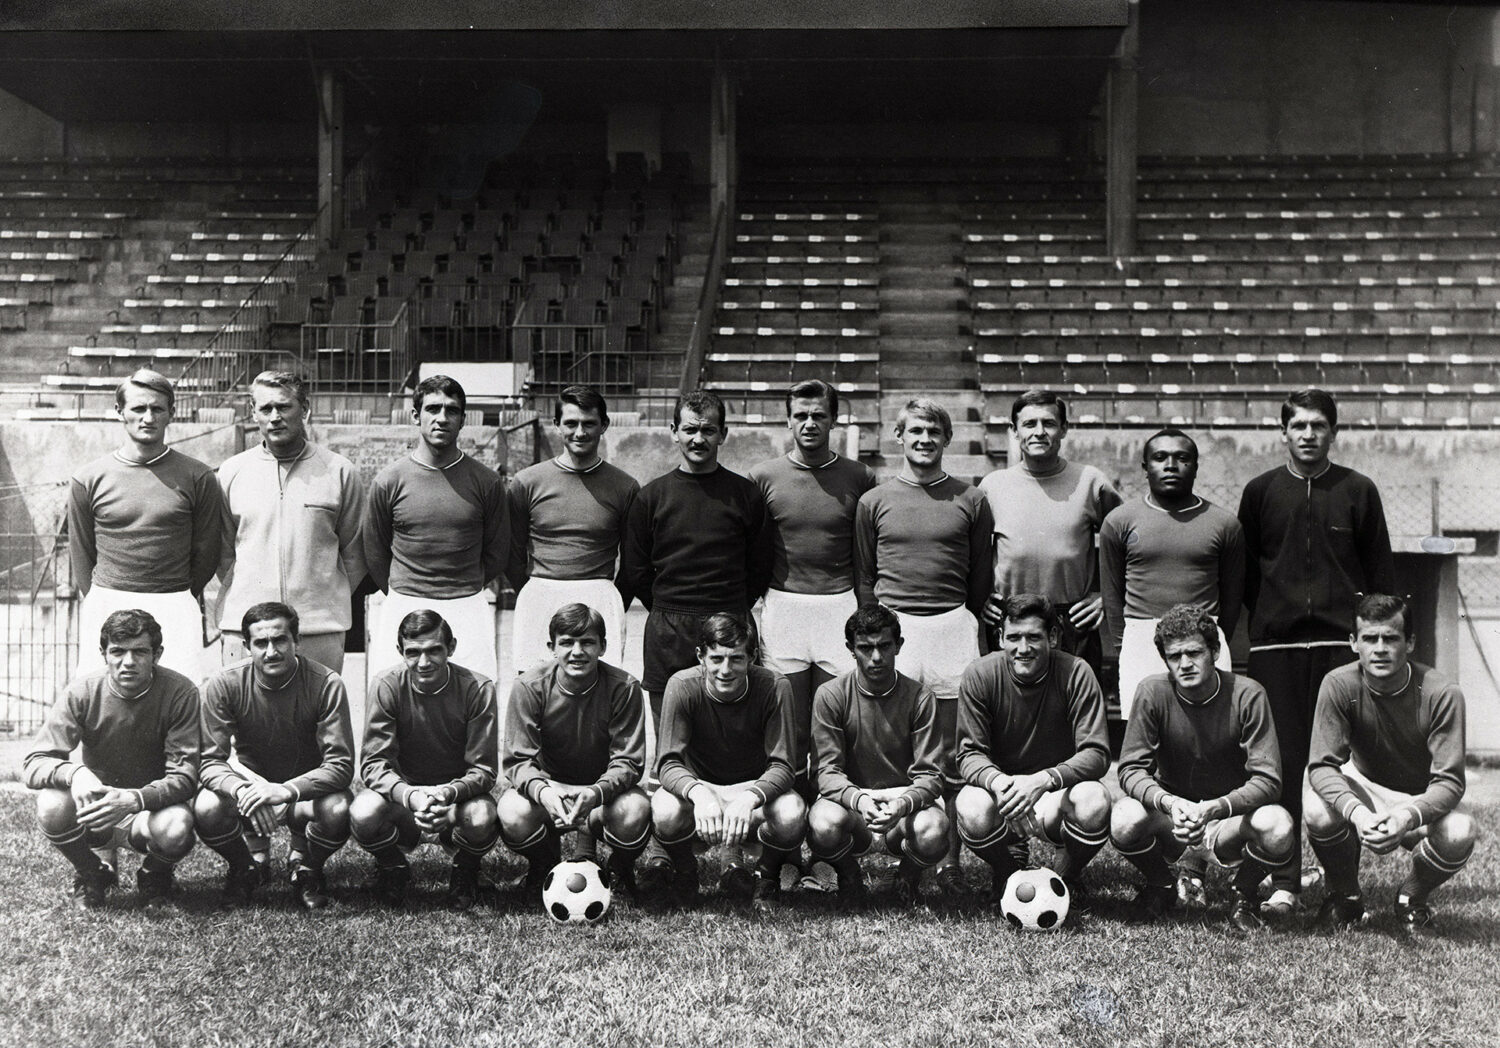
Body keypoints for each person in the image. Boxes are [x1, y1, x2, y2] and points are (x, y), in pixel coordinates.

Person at [1238, 387, 1396, 918]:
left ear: (1334, 432)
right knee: (1279, 763)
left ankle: (1341, 886)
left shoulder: (1358, 490)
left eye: (1318, 426)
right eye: (1298, 425)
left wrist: (1368, 642)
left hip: (1337, 649)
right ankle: (1285, 882)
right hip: (1276, 648)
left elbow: (1381, 578)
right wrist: (1263, 627)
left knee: (1333, 766)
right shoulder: (1260, 492)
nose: (1308, 435)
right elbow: (1245, 578)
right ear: (1282, 431)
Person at [853, 396, 991, 892]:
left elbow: (980, 575)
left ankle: (949, 863)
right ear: (899, 436)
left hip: (952, 625)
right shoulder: (875, 500)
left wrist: (961, 614)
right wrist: (885, 628)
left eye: (934, 431)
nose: (924, 440)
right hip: (897, 631)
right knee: (902, 742)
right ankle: (906, 850)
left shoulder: (970, 498)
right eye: (915, 431)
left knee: (951, 750)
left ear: (947, 439)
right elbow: (865, 575)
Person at [1111, 603, 1294, 932]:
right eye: (1174, 656)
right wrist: (1170, 803)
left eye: (1194, 653)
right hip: (1175, 819)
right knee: (1124, 817)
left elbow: (1269, 781)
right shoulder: (1152, 692)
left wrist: (1214, 808)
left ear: (1215, 650)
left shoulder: (1248, 694)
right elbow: (1130, 770)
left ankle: (1244, 894)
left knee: (1278, 825)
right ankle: (1161, 886)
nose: (1184, 664)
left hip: (1227, 821)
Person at [1305, 594, 1475, 936]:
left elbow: (1450, 782)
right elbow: (1322, 766)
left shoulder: (1442, 692)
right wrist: (1358, 813)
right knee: (1316, 806)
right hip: (1364, 787)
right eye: (1369, 638)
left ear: (1409, 642)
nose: (1379, 648)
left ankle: (1412, 897)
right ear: (1354, 643)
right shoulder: (1338, 684)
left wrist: (1405, 816)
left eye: (1391, 638)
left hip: (1418, 799)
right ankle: (1346, 895)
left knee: (1461, 831)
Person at [748, 379, 878, 801]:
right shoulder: (763, 476)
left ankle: (830, 822)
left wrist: (864, 610)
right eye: (800, 415)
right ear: (788, 420)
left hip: (837, 605)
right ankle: (785, 820)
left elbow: (866, 554)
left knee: (833, 720)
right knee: (790, 723)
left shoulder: (860, 476)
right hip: (785, 605)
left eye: (818, 415)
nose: (809, 423)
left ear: (834, 421)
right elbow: (754, 550)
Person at [23, 609, 198, 909]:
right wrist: (75, 774)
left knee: (178, 824)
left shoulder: (180, 692)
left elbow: (185, 777)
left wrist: (134, 799)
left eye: (140, 652)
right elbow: (34, 762)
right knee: (51, 803)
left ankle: (154, 874)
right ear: (103, 653)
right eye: (117, 651)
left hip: (147, 812)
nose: (128, 662)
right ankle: (92, 873)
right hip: (97, 809)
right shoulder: (82, 691)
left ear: (157, 654)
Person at [620, 389, 772, 721]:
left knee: (732, 727)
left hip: (730, 619)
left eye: (708, 430)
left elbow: (761, 564)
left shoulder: (745, 494)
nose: (698, 439)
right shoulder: (651, 497)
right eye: (690, 429)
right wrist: (669, 607)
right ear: (674, 432)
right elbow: (636, 569)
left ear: (723, 434)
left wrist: (729, 606)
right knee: (671, 730)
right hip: (669, 626)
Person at [194, 601, 355, 911]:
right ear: (246, 646)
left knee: (338, 806)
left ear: (297, 641)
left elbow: (341, 764)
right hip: (251, 785)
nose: (271, 651)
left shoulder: (326, 683)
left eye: (280, 640)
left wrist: (285, 790)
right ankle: (246, 867)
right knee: (207, 805)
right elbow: (210, 760)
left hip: (303, 789)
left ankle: (307, 867)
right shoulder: (225, 684)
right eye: (261, 643)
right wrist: (242, 790)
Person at [954, 594, 1111, 906]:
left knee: (1094, 799)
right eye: (1013, 637)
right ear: (1000, 638)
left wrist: (1041, 781)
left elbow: (1097, 752)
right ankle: (1008, 872)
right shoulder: (980, 674)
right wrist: (1003, 785)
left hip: (1053, 794)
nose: (1023, 649)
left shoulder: (1077, 672)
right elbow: (968, 754)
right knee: (969, 804)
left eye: (1033, 637)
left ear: (1052, 637)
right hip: (1005, 797)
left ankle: (1066, 875)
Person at [69, 369, 222, 679]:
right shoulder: (88, 479)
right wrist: (105, 594)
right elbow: (82, 553)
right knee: (104, 703)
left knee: (178, 702)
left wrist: (175, 591)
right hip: (108, 601)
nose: (148, 417)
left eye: (157, 409)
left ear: (171, 414)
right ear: (120, 412)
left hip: (174, 603)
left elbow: (207, 552)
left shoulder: (199, 477)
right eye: (138, 408)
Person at [650, 613, 805, 909]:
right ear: (701, 657)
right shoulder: (682, 685)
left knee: (792, 810)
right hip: (703, 789)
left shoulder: (775, 686)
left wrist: (749, 798)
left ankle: (767, 875)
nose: (725, 669)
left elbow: (783, 765)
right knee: (664, 808)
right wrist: (699, 794)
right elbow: (668, 763)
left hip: (752, 791)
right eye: (716, 658)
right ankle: (686, 871)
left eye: (736, 659)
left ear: (752, 658)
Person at [350, 610, 501, 910]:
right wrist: (411, 795)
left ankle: (466, 869)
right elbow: (373, 764)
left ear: (452, 648)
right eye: (413, 652)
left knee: (483, 815)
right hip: (405, 798)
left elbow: (484, 769)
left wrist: (447, 793)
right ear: (400, 652)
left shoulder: (478, 688)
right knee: (363, 811)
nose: (423, 662)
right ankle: (392, 866)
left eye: (434, 650)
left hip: (457, 800)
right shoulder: (387, 685)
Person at [362, 374, 508, 682]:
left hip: (466, 604)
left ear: (462, 419)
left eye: (451, 410)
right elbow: (374, 550)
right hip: (405, 601)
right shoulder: (389, 481)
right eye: (433, 409)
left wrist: (466, 585)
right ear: (416, 415)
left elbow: (498, 550)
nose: (442, 418)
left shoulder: (486, 482)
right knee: (395, 698)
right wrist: (404, 588)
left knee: (475, 698)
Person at [216, 371, 365, 674]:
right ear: (252, 411)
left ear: (305, 410)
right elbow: (222, 552)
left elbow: (355, 552)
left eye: (284, 407)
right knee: (246, 718)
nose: (274, 417)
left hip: (318, 629)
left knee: (316, 717)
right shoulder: (232, 472)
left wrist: (322, 596)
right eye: (265, 408)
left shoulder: (339, 471)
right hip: (247, 630)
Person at [499, 603, 651, 897]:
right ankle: (543, 863)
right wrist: (543, 791)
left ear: (603, 646)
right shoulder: (529, 686)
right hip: (551, 786)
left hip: (603, 792)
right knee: (511, 810)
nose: (577, 651)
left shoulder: (624, 687)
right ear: (552, 647)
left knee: (636, 809)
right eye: (567, 642)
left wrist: (596, 792)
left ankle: (619, 866)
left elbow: (629, 762)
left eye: (587, 642)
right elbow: (518, 760)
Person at [806, 603, 948, 905]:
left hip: (903, 804)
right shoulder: (831, 695)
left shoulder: (920, 697)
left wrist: (901, 803)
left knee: (934, 829)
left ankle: (905, 877)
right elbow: (827, 772)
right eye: (865, 648)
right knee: (822, 822)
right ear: (850, 648)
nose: (876, 657)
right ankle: (849, 875)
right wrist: (858, 799)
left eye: (884, 646)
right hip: (854, 805)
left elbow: (931, 775)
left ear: (899, 645)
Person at [1100, 428, 1243, 719]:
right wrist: (1126, 645)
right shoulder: (1119, 521)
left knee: (1209, 733)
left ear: (1195, 466)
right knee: (1145, 736)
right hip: (1142, 638)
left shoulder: (1224, 523)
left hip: (1203, 639)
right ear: (1145, 467)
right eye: (1160, 458)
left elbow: (1232, 597)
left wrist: (1210, 639)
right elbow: (1112, 596)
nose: (1170, 465)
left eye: (1181, 458)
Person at [979, 389, 1122, 677]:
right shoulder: (993, 486)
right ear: (1015, 431)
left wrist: (1103, 596)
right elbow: (972, 552)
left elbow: (1128, 544)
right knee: (1012, 714)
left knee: (1075, 713)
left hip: (1071, 622)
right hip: (1012, 621)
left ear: (1064, 429)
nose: (1039, 432)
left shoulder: (1091, 482)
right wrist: (979, 596)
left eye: (1049, 423)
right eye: (1029, 424)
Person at [506, 385, 638, 676]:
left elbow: (632, 563)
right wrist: (533, 592)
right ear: (556, 425)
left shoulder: (625, 486)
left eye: (589, 423)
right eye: (571, 423)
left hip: (598, 597)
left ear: (604, 425)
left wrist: (611, 602)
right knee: (536, 689)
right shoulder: (527, 482)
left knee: (600, 695)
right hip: (541, 595)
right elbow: (511, 552)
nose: (580, 432)